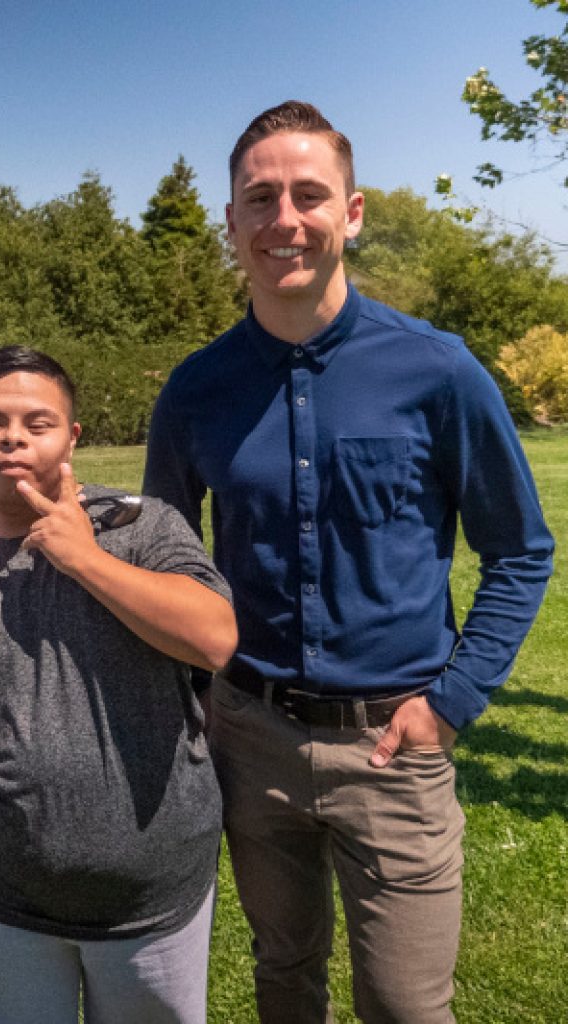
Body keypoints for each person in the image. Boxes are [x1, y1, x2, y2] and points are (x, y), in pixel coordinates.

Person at [143, 101, 554, 1024]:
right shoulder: (197, 389)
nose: (284, 219)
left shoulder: (439, 372)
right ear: (233, 224)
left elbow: (521, 550)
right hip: (250, 739)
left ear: (352, 213)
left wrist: (451, 704)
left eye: (308, 195)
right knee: (283, 979)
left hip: (395, 747)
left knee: (406, 1006)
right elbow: (163, 564)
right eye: (260, 198)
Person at [0, 346, 237, 1024]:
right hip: (6, 893)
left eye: (37, 422)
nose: (12, 436)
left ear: (72, 437)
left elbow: (214, 638)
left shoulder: (140, 525)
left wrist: (83, 559)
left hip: (153, 891)